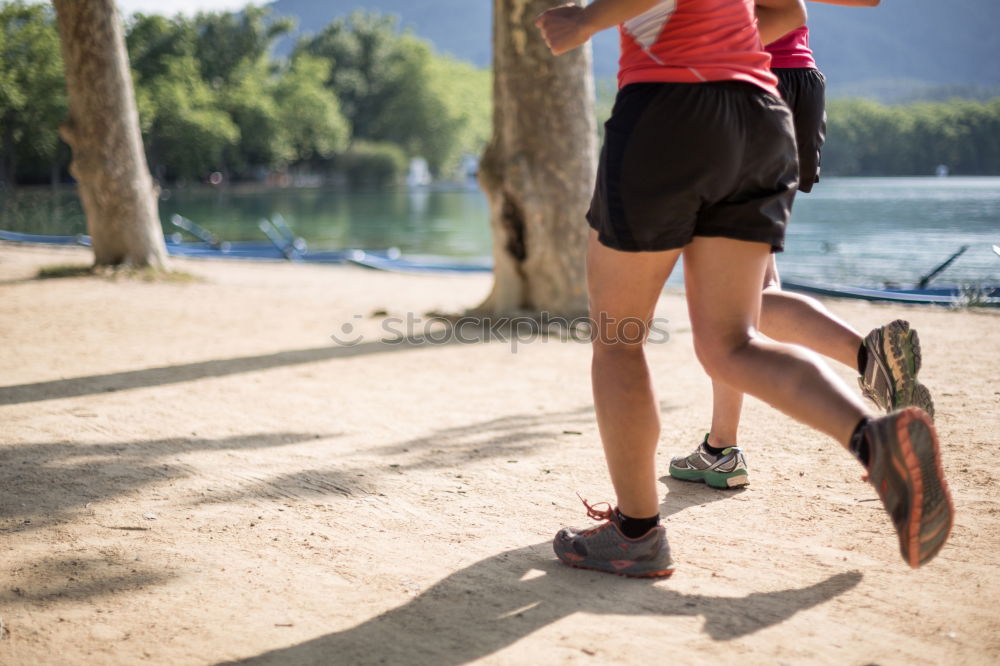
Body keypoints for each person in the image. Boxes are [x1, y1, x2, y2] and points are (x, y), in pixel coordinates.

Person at [534, 0, 952, 577]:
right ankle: (875, 439)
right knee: (734, 342)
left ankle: (636, 533)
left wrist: (586, 20)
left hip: (671, 110)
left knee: (619, 338)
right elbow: (787, 8)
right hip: (758, 112)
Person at [667, 0, 936, 490]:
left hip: (745, 86)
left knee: (728, 300)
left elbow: (790, 11)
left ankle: (871, 358)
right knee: (748, 286)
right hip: (791, 83)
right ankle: (721, 449)